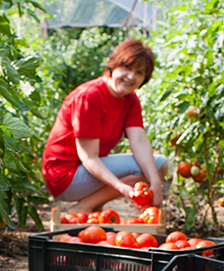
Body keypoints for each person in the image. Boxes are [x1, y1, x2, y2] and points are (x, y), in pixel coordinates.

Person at [41, 38, 171, 215]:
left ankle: (92, 206)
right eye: (127, 68)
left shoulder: (130, 100)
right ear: (113, 66)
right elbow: (89, 158)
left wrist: (155, 183)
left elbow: (139, 141)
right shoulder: (89, 96)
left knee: (157, 168)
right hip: (65, 177)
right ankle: (82, 207)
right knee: (158, 164)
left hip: (85, 172)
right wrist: (121, 187)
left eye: (139, 73)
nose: (131, 76)